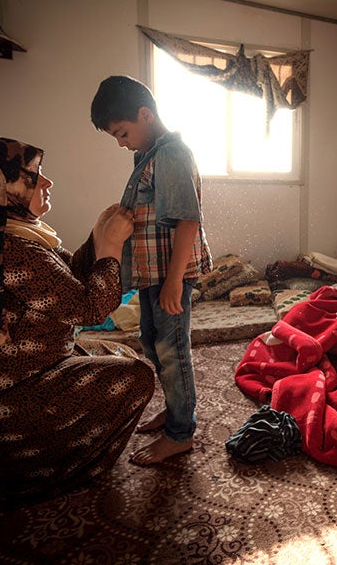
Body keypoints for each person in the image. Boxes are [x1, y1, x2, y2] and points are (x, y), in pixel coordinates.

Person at [0, 135, 156, 515]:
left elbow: (65, 283)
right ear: (0, 191)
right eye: (34, 177)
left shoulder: (0, 237)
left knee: (115, 351)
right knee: (136, 375)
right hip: (5, 403)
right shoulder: (11, 249)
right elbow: (89, 308)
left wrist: (97, 232)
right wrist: (109, 248)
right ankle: (57, 473)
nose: (48, 183)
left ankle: (7, 456)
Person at [90, 75, 212, 465]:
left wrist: (175, 281)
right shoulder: (147, 156)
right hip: (152, 272)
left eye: (122, 133)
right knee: (152, 344)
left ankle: (181, 433)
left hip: (169, 273)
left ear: (145, 114)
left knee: (173, 351)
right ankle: (177, 411)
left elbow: (188, 220)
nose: (122, 142)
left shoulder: (173, 153)